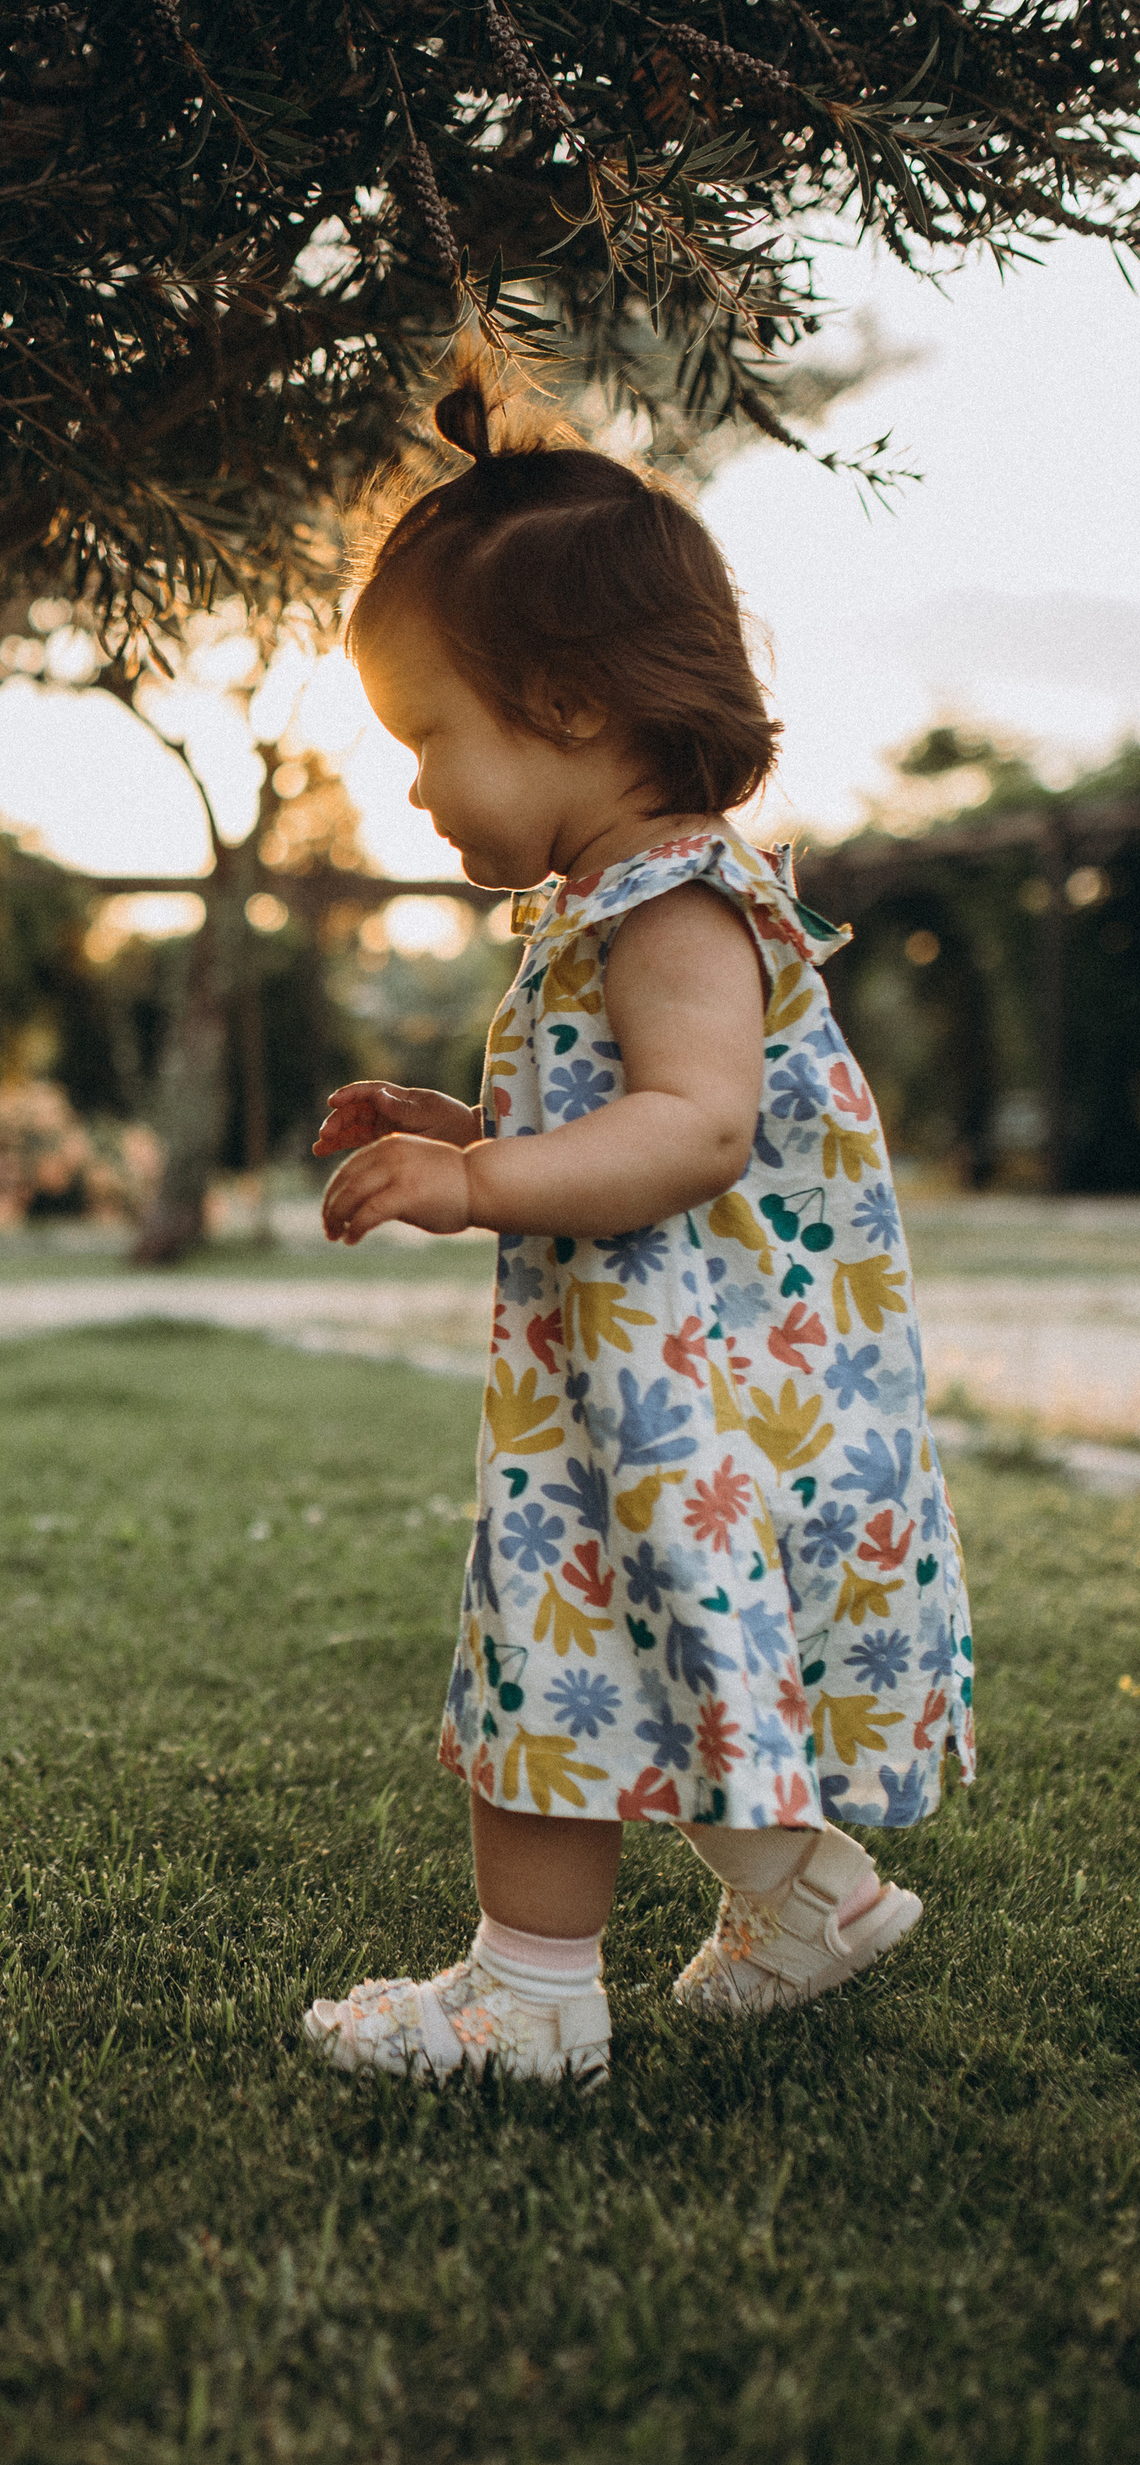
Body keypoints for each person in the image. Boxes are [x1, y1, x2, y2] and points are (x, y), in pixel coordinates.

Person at [299, 376, 974, 2087]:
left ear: (572, 704)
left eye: (432, 740)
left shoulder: (674, 902)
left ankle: (529, 1995)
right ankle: (808, 1900)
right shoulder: (614, 898)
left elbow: (692, 1129)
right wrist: (465, 1134)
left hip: (693, 1404)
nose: (418, 794)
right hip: (663, 1393)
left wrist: (474, 1190)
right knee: (655, 1646)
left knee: (559, 1641)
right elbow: (612, 1128)